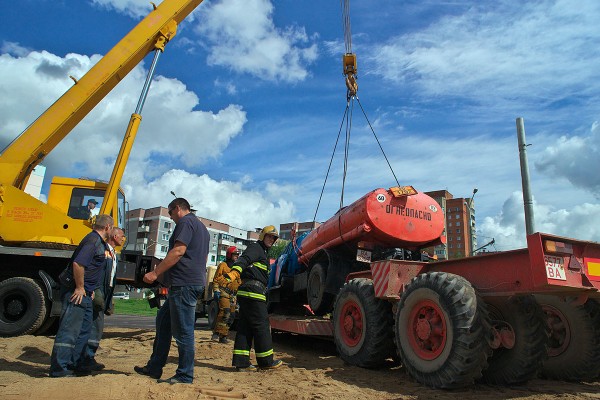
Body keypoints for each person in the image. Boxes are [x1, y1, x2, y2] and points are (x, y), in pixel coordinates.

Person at [134, 198, 209, 384]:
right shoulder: (201, 228)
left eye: (170, 212)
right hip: (187, 282)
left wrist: (155, 272)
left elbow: (178, 251)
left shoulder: (185, 222)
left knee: (183, 331)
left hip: (184, 284)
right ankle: (154, 367)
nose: (170, 217)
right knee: (163, 321)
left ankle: (185, 375)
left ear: (177, 208)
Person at [49, 214, 113, 378]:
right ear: (107, 227)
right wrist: (79, 287)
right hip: (76, 293)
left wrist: (89, 290)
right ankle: (59, 369)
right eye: (112, 228)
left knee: (84, 330)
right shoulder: (92, 241)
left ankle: (75, 364)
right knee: (70, 329)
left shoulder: (98, 242)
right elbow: (78, 263)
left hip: (87, 294)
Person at [224, 225, 284, 371]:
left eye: (273, 238)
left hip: (247, 293)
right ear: (263, 236)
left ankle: (241, 362)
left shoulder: (262, 252)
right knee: (262, 326)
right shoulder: (256, 248)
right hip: (253, 293)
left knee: (245, 327)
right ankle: (266, 362)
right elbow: (244, 260)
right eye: (269, 236)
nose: (271, 239)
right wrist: (234, 273)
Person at [80, 226, 126, 370]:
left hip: (105, 292)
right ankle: (85, 358)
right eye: (122, 236)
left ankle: (88, 356)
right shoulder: (102, 250)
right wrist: (95, 290)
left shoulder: (113, 253)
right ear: (115, 236)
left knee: (97, 325)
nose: (123, 239)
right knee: (93, 324)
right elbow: (94, 272)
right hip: (97, 292)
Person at [211, 246, 241, 343]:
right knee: (225, 312)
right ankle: (218, 333)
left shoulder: (237, 268)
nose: (236, 256)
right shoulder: (223, 265)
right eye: (235, 254)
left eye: (237, 255)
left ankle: (222, 334)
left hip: (233, 295)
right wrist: (216, 290)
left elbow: (239, 281)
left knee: (231, 316)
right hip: (224, 291)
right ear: (229, 255)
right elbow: (216, 279)